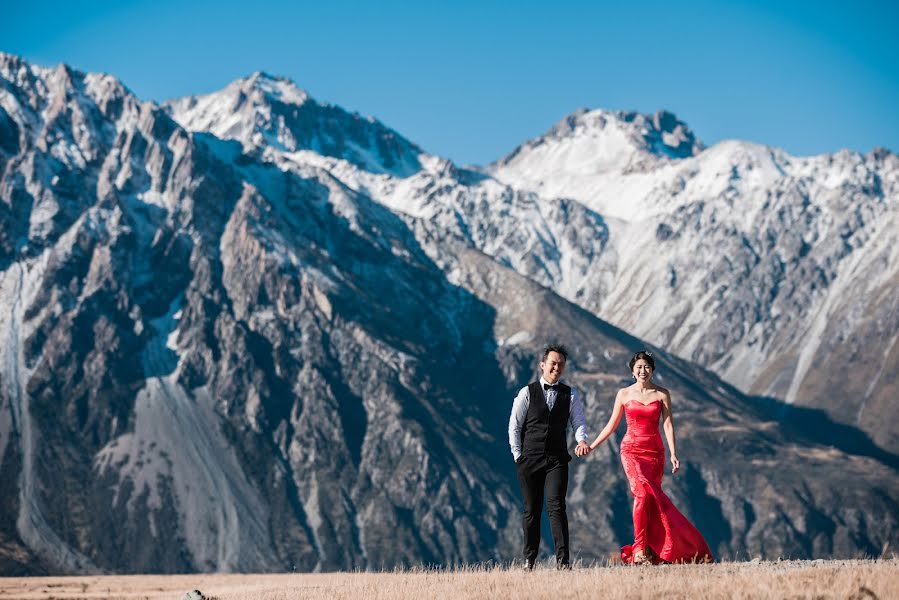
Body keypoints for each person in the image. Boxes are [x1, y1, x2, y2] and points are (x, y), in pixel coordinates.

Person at [588, 350, 713, 565]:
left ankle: (656, 550)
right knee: (642, 496)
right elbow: (612, 424)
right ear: (632, 371)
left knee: (653, 502)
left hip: (655, 453)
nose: (643, 371)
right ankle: (638, 550)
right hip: (631, 450)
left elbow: (668, 424)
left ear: (652, 370)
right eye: (639, 367)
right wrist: (593, 445)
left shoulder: (662, 394)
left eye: (647, 367)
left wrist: (673, 453)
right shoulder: (624, 394)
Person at [508, 344, 591, 570]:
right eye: (553, 363)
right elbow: (514, 427)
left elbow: (579, 422)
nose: (557, 367)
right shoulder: (527, 393)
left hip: (557, 459)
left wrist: (582, 440)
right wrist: (518, 456)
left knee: (556, 507)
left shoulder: (570, 395)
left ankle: (563, 561)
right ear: (542, 364)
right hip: (529, 459)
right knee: (532, 510)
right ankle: (529, 560)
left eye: (561, 364)